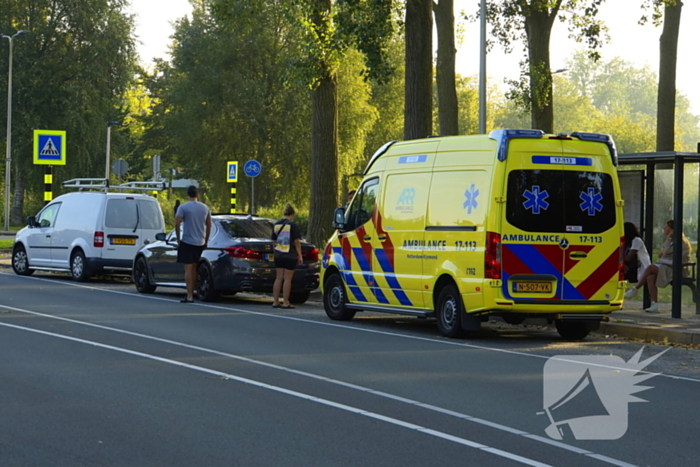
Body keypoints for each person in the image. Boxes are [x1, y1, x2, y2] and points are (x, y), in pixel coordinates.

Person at [625, 219, 691, 313]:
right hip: (667, 266)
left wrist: (668, 241)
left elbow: (670, 254)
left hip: (676, 269)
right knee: (650, 277)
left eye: (666, 227)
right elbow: (663, 254)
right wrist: (665, 252)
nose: (664, 228)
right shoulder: (671, 240)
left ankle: (635, 289)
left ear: (672, 229)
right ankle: (655, 304)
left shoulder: (680, 241)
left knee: (651, 268)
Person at [175, 185, 212, 303]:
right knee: (195, 267)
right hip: (200, 242)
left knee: (188, 268)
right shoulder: (205, 208)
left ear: (187, 194)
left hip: (187, 241)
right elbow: (209, 224)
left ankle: (189, 295)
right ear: (198, 195)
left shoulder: (183, 207)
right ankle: (195, 292)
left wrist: (178, 239)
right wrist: (206, 240)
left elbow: (177, 223)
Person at [271, 203, 303, 309]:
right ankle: (285, 302)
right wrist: (300, 255)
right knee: (287, 279)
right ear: (292, 214)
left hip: (278, 254)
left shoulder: (276, 224)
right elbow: (297, 241)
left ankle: (275, 301)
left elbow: (274, 241)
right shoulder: (292, 225)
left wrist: (275, 251)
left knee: (278, 278)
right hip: (289, 254)